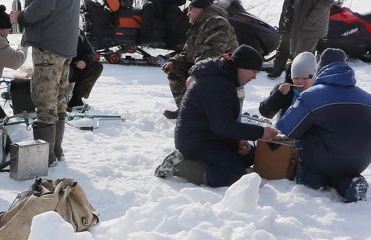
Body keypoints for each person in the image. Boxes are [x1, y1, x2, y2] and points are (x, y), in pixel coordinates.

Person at [10, 0, 85, 166]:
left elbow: (43, 6)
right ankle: (56, 151)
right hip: (66, 40)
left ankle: (46, 158)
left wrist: (19, 17)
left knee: (44, 100)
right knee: (60, 98)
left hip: (48, 42)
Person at [156, 45, 278, 186]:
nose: (255, 77)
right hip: (196, 141)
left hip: (212, 136)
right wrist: (260, 132)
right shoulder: (216, 83)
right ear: (241, 66)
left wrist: (238, 139)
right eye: (253, 71)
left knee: (250, 155)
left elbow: (223, 121)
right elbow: (222, 126)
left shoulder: (225, 78)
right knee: (235, 175)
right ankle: (180, 166)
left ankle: (202, 162)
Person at [277, 48, 371, 203]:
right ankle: (349, 183)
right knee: (341, 170)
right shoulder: (367, 98)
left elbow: (288, 128)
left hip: (324, 160)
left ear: (319, 70)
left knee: (307, 134)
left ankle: (312, 179)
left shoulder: (312, 95)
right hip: (360, 162)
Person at [161, 0, 239, 117]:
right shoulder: (198, 27)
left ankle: (203, 113)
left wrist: (196, 72)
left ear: (199, 9)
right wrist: (173, 62)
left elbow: (213, 54)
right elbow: (188, 54)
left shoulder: (216, 22)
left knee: (200, 76)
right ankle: (187, 110)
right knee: (176, 70)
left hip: (224, 71)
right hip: (210, 67)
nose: (188, 13)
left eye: (190, 9)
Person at [258, 51, 316, 121]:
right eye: (296, 78)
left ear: (314, 77)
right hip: (285, 130)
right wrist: (279, 94)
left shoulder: (320, 92)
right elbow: (266, 112)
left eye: (305, 78)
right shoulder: (286, 90)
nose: (300, 81)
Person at [68, 30, 104, 112]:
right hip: (61, 67)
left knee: (97, 67)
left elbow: (90, 52)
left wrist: (85, 61)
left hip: (75, 67)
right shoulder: (57, 28)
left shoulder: (78, 32)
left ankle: (76, 99)